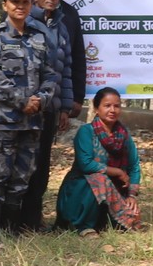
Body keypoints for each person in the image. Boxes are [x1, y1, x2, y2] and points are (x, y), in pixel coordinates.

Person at [0, 0, 56, 237]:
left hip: (31, 122)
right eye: (15, 2)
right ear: (5, 5)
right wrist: (22, 100)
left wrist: (41, 100)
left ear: (31, 4)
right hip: (2, 121)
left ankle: (10, 231)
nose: (20, 6)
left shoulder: (39, 37)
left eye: (25, 2)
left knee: (21, 178)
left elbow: (50, 75)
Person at [24, 0, 78, 231]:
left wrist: (64, 107)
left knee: (43, 165)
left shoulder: (61, 27)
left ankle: (33, 218)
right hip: (26, 108)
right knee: (24, 163)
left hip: (50, 108)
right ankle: (15, 218)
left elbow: (64, 71)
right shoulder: (25, 23)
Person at [59, 88, 142, 234]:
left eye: (117, 106)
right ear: (97, 108)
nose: (112, 110)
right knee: (99, 178)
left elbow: (134, 165)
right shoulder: (86, 131)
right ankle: (83, 226)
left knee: (132, 218)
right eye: (107, 105)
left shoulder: (124, 135)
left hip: (113, 191)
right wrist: (117, 172)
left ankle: (106, 221)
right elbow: (86, 164)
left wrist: (131, 195)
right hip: (82, 190)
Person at [35, 0, 89, 120]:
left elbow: (76, 58)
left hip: (54, 101)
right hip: (25, 99)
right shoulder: (21, 8)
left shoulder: (69, 14)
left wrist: (77, 98)